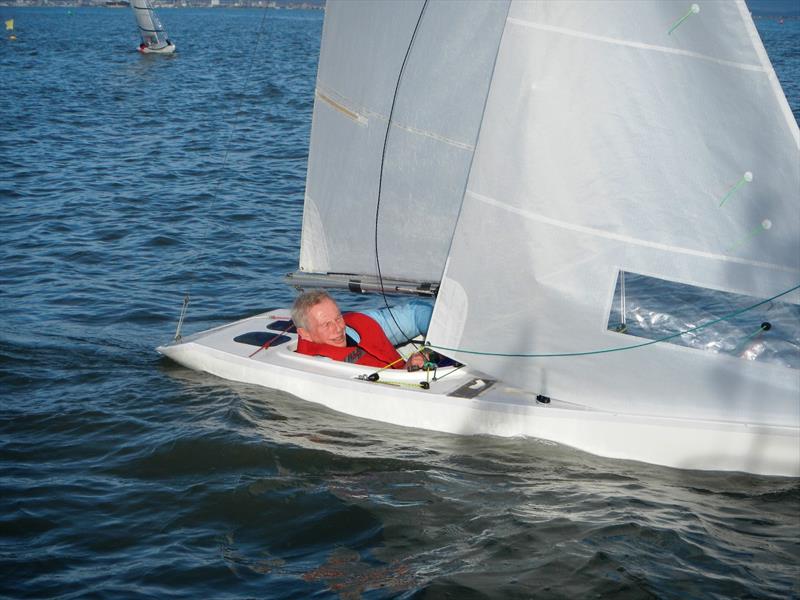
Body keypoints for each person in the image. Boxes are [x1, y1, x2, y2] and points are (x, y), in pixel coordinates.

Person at [291, 290, 432, 371]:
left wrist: (441, 340)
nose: (339, 328)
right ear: (305, 334)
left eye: (338, 318)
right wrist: (406, 371)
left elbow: (415, 313)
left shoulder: (359, 324)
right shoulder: (320, 368)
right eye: (326, 325)